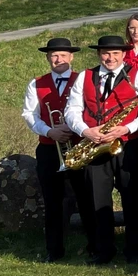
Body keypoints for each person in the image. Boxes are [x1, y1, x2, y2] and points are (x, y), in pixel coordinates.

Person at [64, 35, 138, 265]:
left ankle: (134, 250)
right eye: (106, 53)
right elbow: (71, 110)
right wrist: (85, 131)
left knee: (130, 197)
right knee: (97, 198)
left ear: (124, 54)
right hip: (95, 144)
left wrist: (127, 127)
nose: (110, 58)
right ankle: (103, 249)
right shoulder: (85, 76)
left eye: (115, 53)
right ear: (99, 54)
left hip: (128, 144)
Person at [22, 38, 84, 261]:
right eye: (54, 55)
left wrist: (71, 128)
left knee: (86, 196)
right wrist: (50, 132)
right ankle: (54, 250)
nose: (59, 59)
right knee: (52, 201)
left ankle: (96, 247)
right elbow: (30, 115)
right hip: (49, 148)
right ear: (48, 58)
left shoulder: (82, 79)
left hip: (80, 146)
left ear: (71, 57)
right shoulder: (36, 83)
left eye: (63, 55)